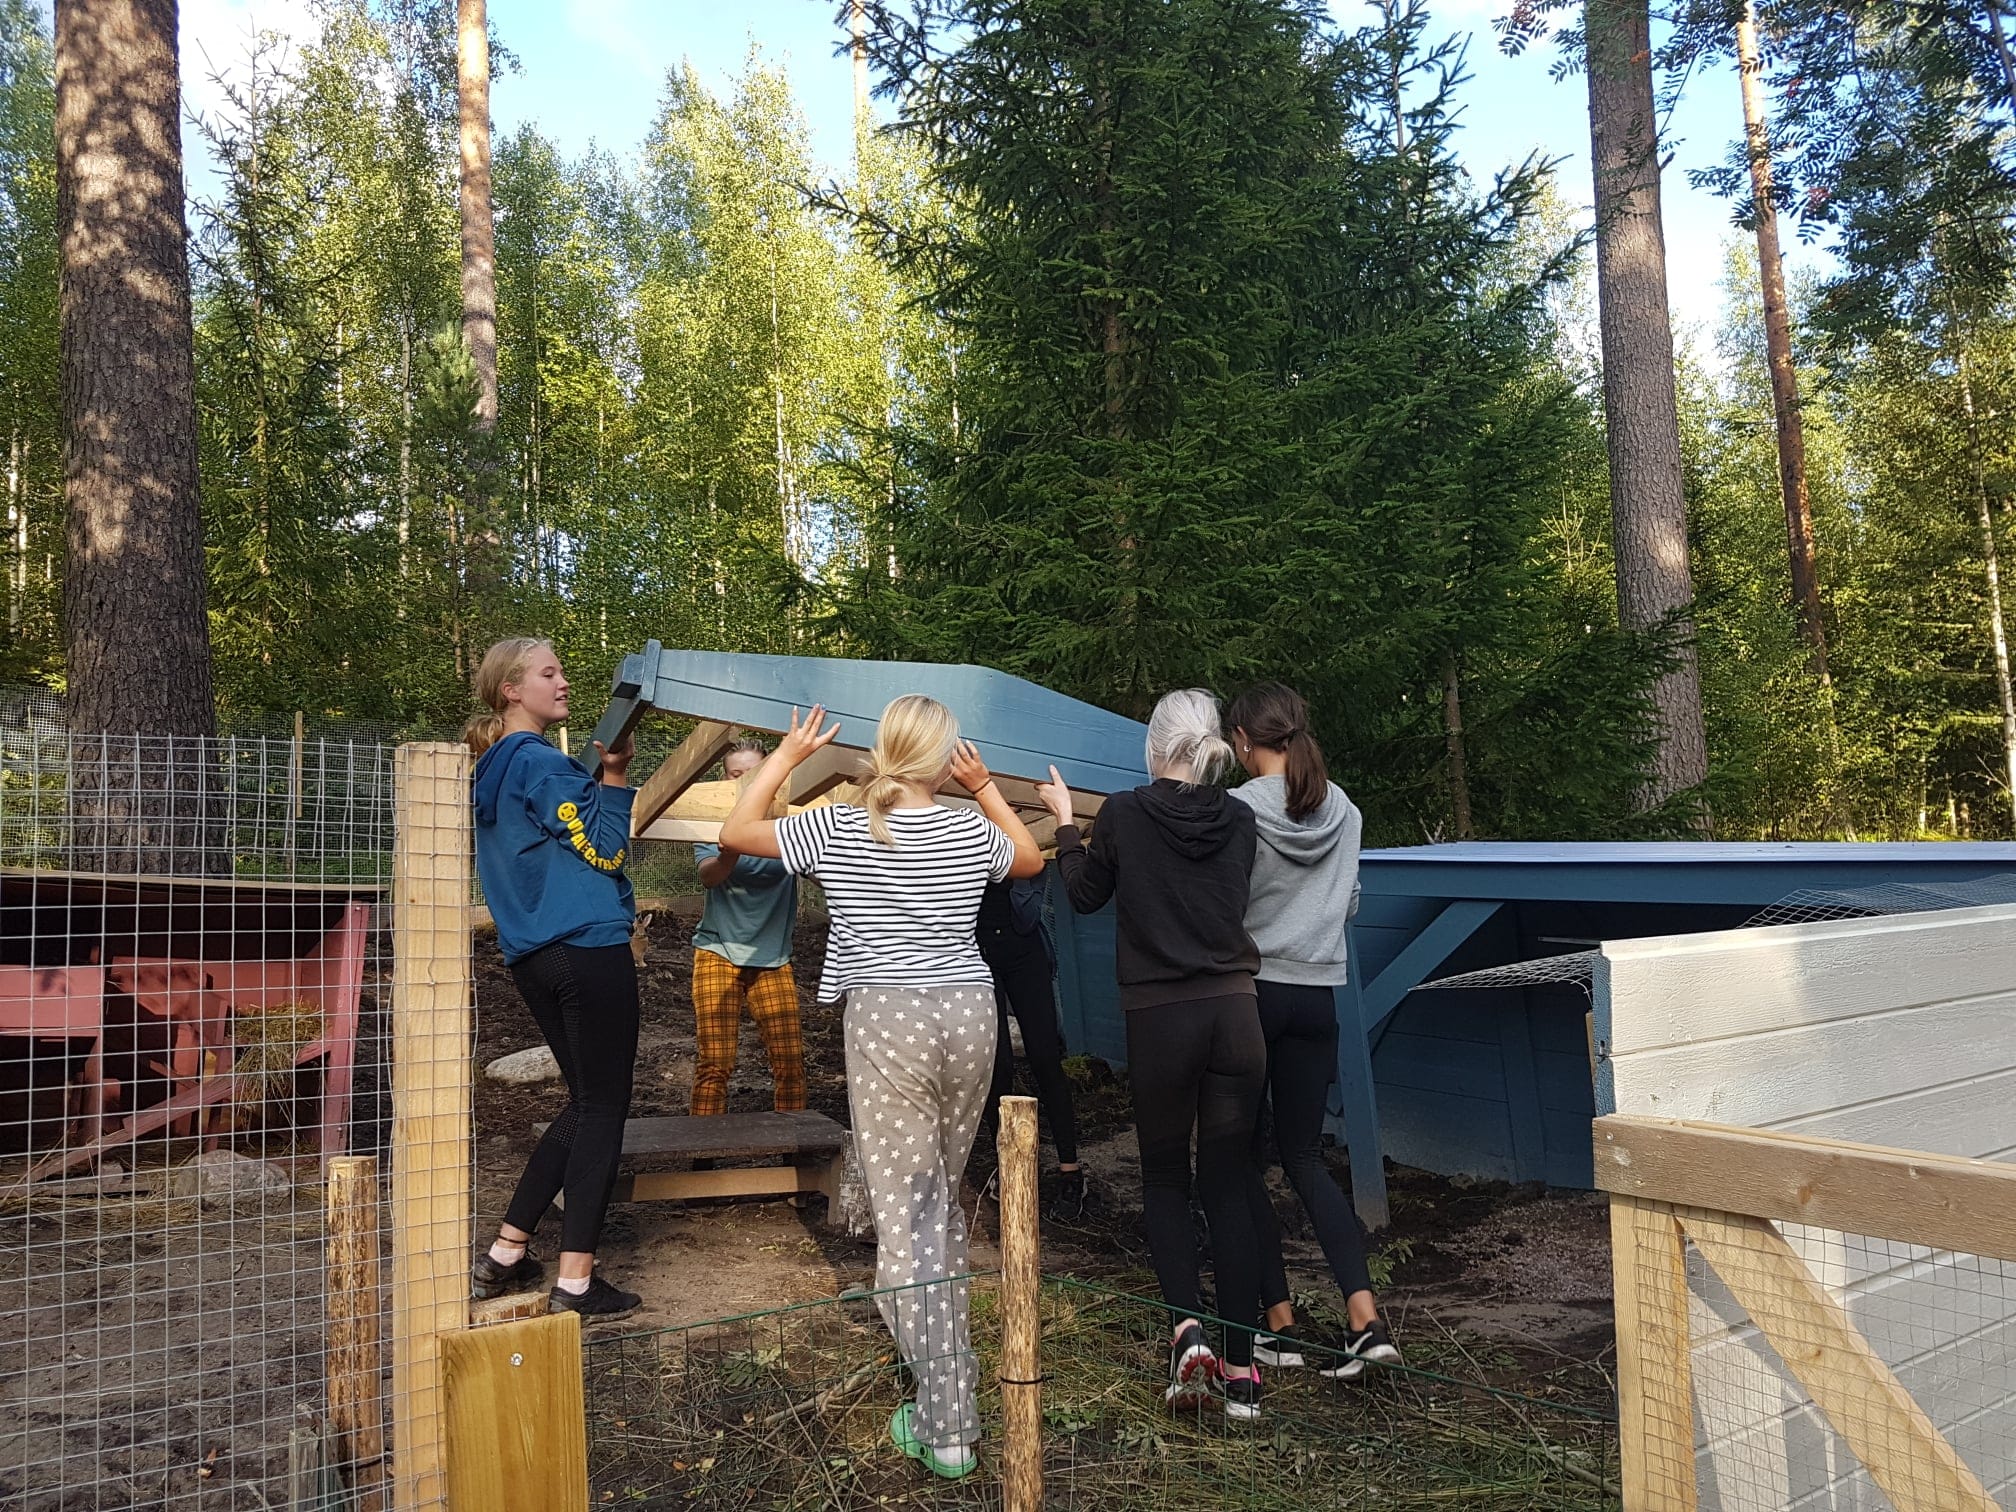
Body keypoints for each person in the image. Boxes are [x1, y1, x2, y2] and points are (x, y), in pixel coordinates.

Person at [721, 698, 1049, 1481]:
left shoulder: (840, 824)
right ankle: (949, 1375)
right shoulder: (971, 827)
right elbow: (1031, 859)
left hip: (890, 1014)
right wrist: (987, 788)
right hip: (970, 1011)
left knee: (909, 1211)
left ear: (884, 749)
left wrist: (787, 755)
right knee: (939, 1193)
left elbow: (736, 832)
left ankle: (947, 1424)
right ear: (944, 758)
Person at [1037, 689, 1271, 1422]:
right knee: (1229, 1190)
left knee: (1167, 1181)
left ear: (1155, 746)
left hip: (1162, 1019)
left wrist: (1067, 827)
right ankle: (1242, 1374)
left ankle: (1187, 1336)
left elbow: (1081, 896)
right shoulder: (1240, 818)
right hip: (1237, 1015)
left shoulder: (1126, 814)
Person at [464, 637, 644, 1321]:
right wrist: (617, 780)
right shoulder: (539, 762)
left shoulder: (491, 770)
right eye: (550, 672)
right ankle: (576, 1279)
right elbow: (606, 849)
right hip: (586, 944)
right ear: (512, 689)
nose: (564, 682)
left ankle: (508, 1252)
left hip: (533, 954)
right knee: (605, 1108)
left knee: (583, 1101)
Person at [1227, 681, 1401, 1378]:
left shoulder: (1238, 810)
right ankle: (1366, 1319)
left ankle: (1280, 1323)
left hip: (1255, 992)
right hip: (1318, 997)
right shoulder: (1346, 809)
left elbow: (1223, 898)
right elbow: (1350, 899)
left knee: (1239, 1158)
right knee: (1304, 1157)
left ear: (1242, 740)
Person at [690, 738, 805, 1117]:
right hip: (718, 951)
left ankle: (792, 1149)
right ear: (725, 781)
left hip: (772, 957)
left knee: (790, 1061)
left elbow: (822, 869)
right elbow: (710, 876)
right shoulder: (709, 822)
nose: (744, 783)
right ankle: (701, 1159)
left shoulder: (791, 824)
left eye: (753, 774)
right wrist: (731, 845)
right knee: (715, 1062)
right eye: (735, 775)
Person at [978, 875, 1085, 1218]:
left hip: (1023, 950)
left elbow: (1028, 906)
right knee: (997, 1063)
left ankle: (1071, 1171)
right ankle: (1007, 1166)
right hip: (977, 952)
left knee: (1045, 1058)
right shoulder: (953, 827)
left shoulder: (1022, 838)